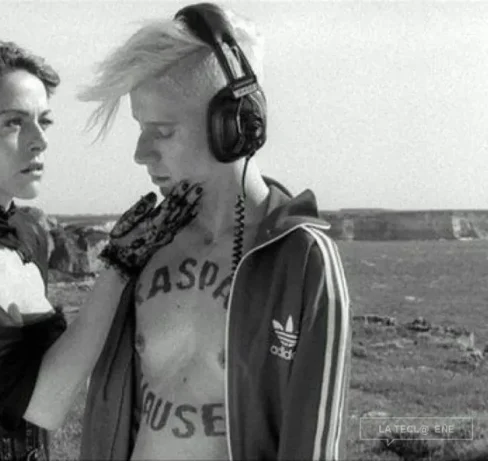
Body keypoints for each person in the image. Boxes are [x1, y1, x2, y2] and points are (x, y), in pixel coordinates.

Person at [0, 14, 202, 461]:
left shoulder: (28, 232)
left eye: (43, 122)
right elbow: (43, 404)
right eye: (14, 123)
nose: (39, 142)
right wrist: (118, 265)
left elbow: (63, 363)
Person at [72, 3, 353, 461]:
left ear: (234, 125)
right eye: (141, 129)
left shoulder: (302, 259)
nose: (141, 153)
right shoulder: (144, 247)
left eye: (162, 131)